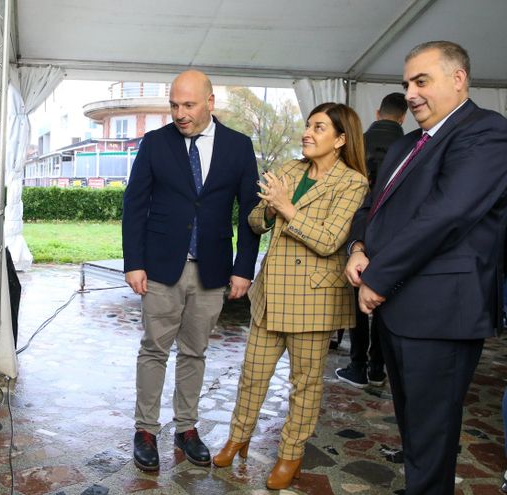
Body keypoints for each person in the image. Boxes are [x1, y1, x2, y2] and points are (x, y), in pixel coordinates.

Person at [344, 41, 507, 495]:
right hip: (399, 311)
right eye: (406, 84)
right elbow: (370, 206)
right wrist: (358, 247)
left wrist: (377, 278)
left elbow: (446, 215)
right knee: (415, 428)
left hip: (440, 314)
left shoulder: (487, 132)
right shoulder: (406, 144)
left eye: (422, 81)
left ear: (459, 80)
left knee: (432, 438)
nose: (411, 94)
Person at [213, 102, 369, 490]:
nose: (307, 133)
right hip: (270, 294)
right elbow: (253, 220)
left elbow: (331, 239)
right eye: (307, 125)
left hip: (313, 300)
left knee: (304, 384)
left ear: (341, 139)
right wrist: (267, 213)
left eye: (319, 128)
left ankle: (290, 455)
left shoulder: (352, 183)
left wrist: (285, 206)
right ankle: (238, 437)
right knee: (252, 375)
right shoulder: (288, 169)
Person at [122, 69, 260, 471]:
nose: (180, 114)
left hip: (213, 269)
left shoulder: (239, 146)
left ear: (210, 102)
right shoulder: (154, 143)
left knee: (195, 352)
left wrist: (243, 269)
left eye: (188, 105)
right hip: (162, 266)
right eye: (174, 105)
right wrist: (134, 263)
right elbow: (135, 205)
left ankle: (187, 428)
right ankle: (145, 430)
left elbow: (250, 213)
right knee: (153, 350)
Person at [335, 92, 407, 388]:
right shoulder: (410, 146)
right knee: (382, 298)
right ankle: (378, 367)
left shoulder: (357, 143)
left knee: (356, 300)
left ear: (378, 113)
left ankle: (357, 365)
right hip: (393, 232)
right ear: (403, 117)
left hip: (356, 227)